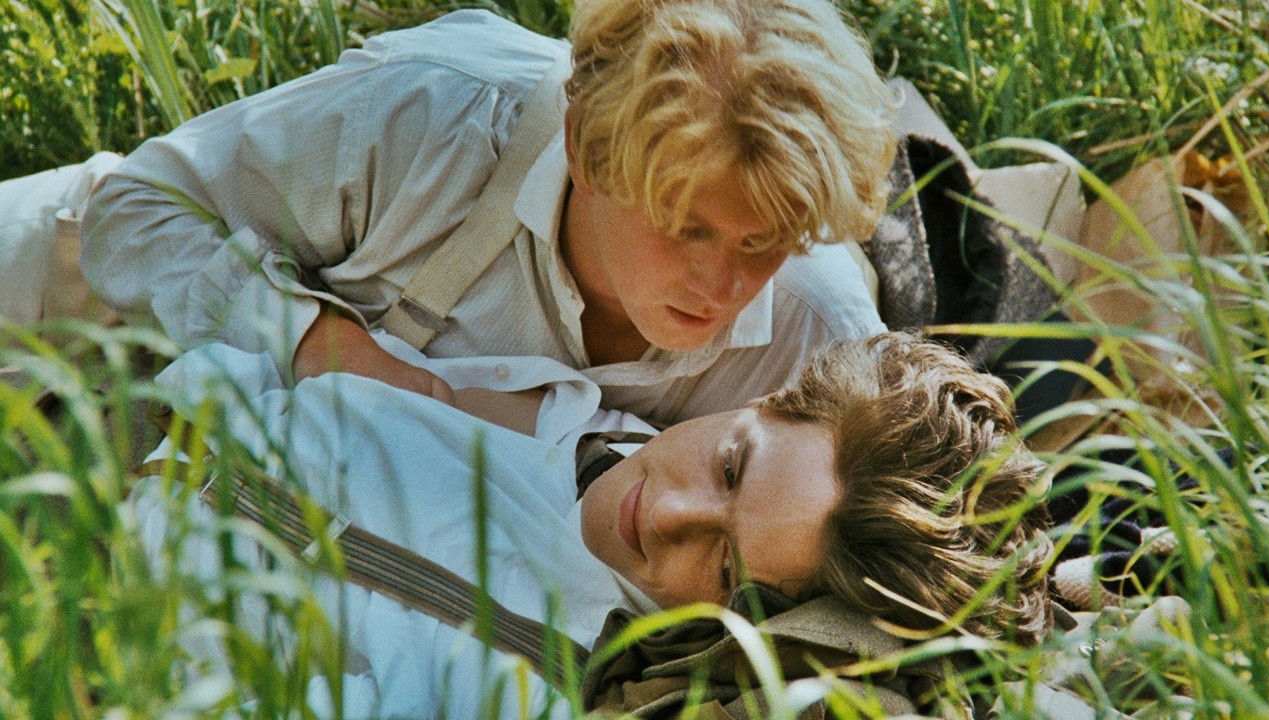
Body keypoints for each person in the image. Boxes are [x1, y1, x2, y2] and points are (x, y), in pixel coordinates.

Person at [133, 331, 1052, 717]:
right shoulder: (592, 422)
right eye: (730, 468)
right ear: (767, 400)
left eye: (725, 568)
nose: (670, 515)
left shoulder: (546, 682)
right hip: (143, 379)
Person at [80, 0, 896, 426]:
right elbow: (137, 211)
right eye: (687, 227)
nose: (723, 286)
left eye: (764, 242)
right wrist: (313, 342)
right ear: (586, 151)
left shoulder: (821, 333)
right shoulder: (428, 116)